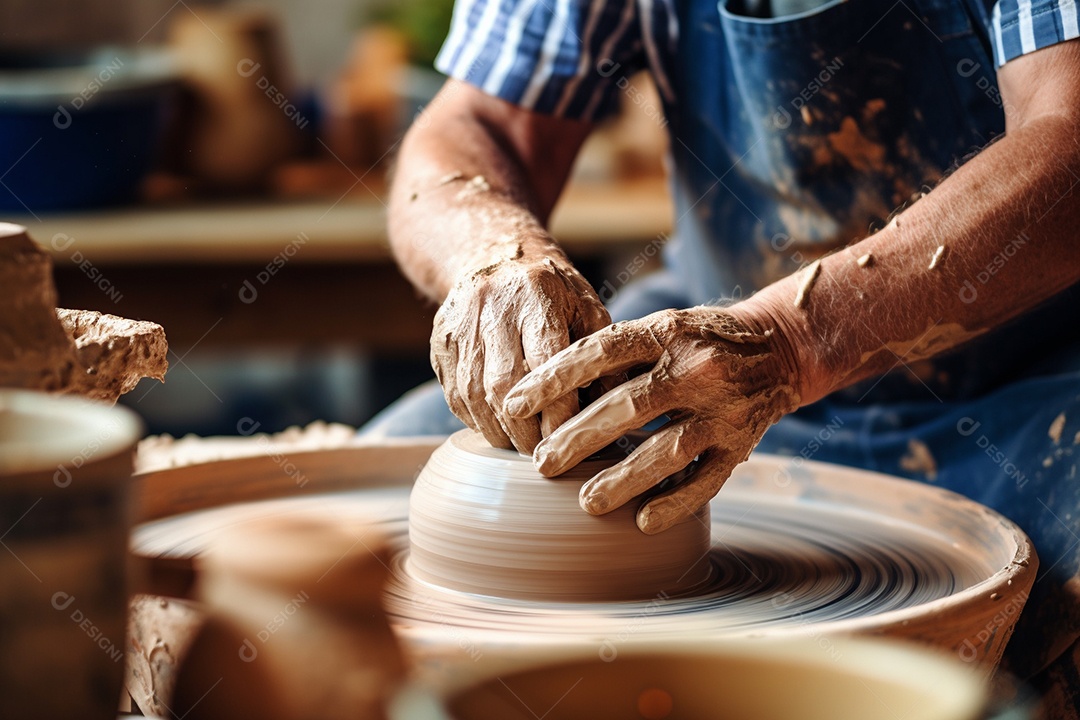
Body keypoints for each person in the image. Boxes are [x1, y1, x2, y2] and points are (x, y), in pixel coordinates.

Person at [364, 0, 1080, 711]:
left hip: (1025, 382)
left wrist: (789, 342)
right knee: (361, 526)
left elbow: (1069, 142)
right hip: (701, 356)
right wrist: (494, 254)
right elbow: (478, 124)